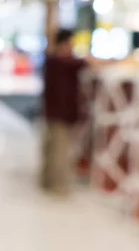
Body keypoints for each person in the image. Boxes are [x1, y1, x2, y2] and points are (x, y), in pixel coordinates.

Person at [42, 29, 89, 194]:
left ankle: (48, 182)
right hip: (60, 112)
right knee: (59, 151)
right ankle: (57, 185)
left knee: (53, 148)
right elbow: (84, 63)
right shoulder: (60, 62)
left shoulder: (52, 61)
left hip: (54, 111)